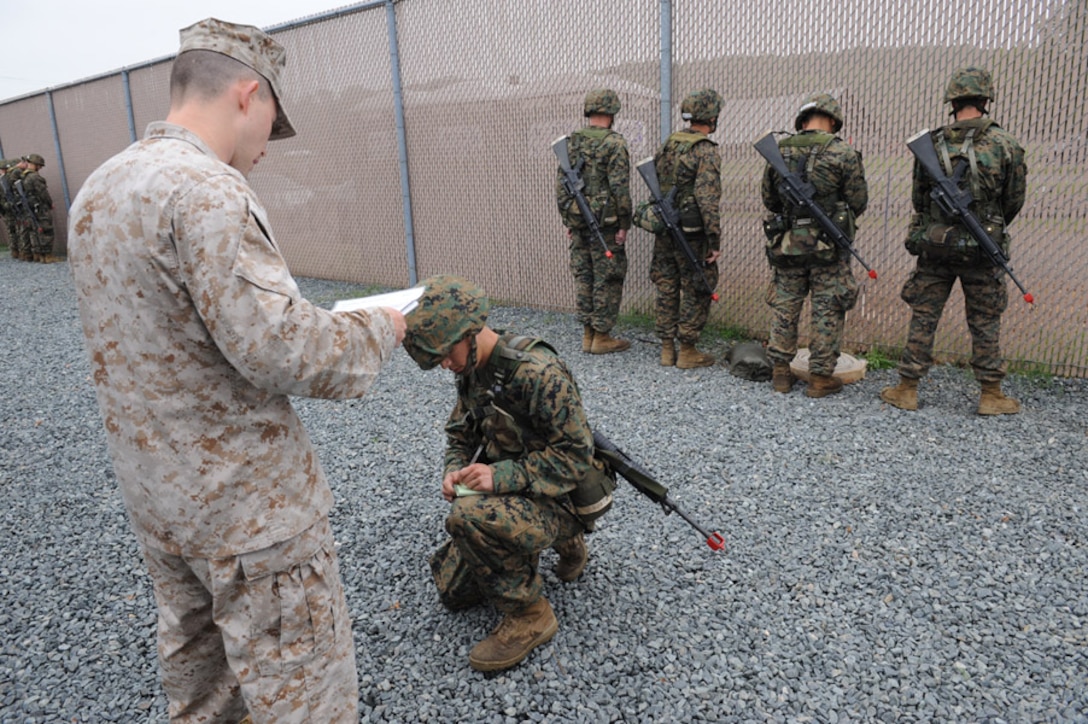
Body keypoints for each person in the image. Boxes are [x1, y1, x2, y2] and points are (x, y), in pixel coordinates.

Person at [67, 18, 407, 722]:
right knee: (302, 693)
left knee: (204, 686)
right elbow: (281, 347)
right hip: (251, 515)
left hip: (162, 502)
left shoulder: (99, 188)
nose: (266, 148)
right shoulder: (207, 190)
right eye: (272, 124)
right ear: (248, 95)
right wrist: (384, 326)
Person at [403, 275, 613, 672]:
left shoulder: (539, 373)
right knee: (454, 594)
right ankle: (552, 544)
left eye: (445, 354)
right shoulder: (472, 368)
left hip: (563, 498)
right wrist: (454, 470)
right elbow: (460, 433)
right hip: (523, 485)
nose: (445, 365)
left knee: (466, 519)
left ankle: (530, 614)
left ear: (470, 333)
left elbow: (575, 458)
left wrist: (499, 478)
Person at [881, 67, 1026, 415]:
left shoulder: (931, 144)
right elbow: (1013, 200)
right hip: (982, 248)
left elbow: (919, 198)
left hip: (936, 245)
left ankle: (907, 388)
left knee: (924, 315)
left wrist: (941, 221)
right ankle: (991, 394)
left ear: (952, 102)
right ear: (986, 99)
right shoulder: (1006, 144)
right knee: (985, 319)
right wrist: (985, 225)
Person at [760, 93, 868, 397]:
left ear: (802, 121)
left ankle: (781, 373)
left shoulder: (779, 150)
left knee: (786, 304)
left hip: (789, 243)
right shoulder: (843, 152)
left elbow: (769, 199)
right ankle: (820, 378)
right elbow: (858, 201)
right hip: (828, 245)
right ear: (832, 120)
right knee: (827, 306)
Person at [650, 88, 723, 368]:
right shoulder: (705, 150)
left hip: (666, 229)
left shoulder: (668, 145)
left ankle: (666, 348)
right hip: (692, 235)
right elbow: (707, 198)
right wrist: (714, 240)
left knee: (667, 284)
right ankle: (688, 350)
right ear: (712, 117)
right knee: (696, 287)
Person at [556, 89, 632, 354]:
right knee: (607, 276)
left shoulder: (572, 142)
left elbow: (561, 187)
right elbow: (620, 189)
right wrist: (624, 224)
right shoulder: (615, 144)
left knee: (584, 274)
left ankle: (588, 334)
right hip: (606, 225)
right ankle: (601, 336)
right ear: (612, 113)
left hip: (579, 221)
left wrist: (569, 218)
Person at [19, 153, 57, 262]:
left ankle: (39, 255)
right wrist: (50, 203)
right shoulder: (35, 177)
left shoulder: (23, 177)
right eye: (39, 165)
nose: (40, 168)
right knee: (46, 230)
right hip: (40, 207)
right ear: (35, 164)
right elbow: (42, 193)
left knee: (35, 231)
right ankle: (48, 256)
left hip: (31, 208)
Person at [2, 157, 29, 261]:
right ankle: (22, 251)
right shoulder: (13, 175)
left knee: (13, 231)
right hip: (12, 207)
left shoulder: (5, 178)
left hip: (9, 207)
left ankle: (16, 251)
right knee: (19, 229)